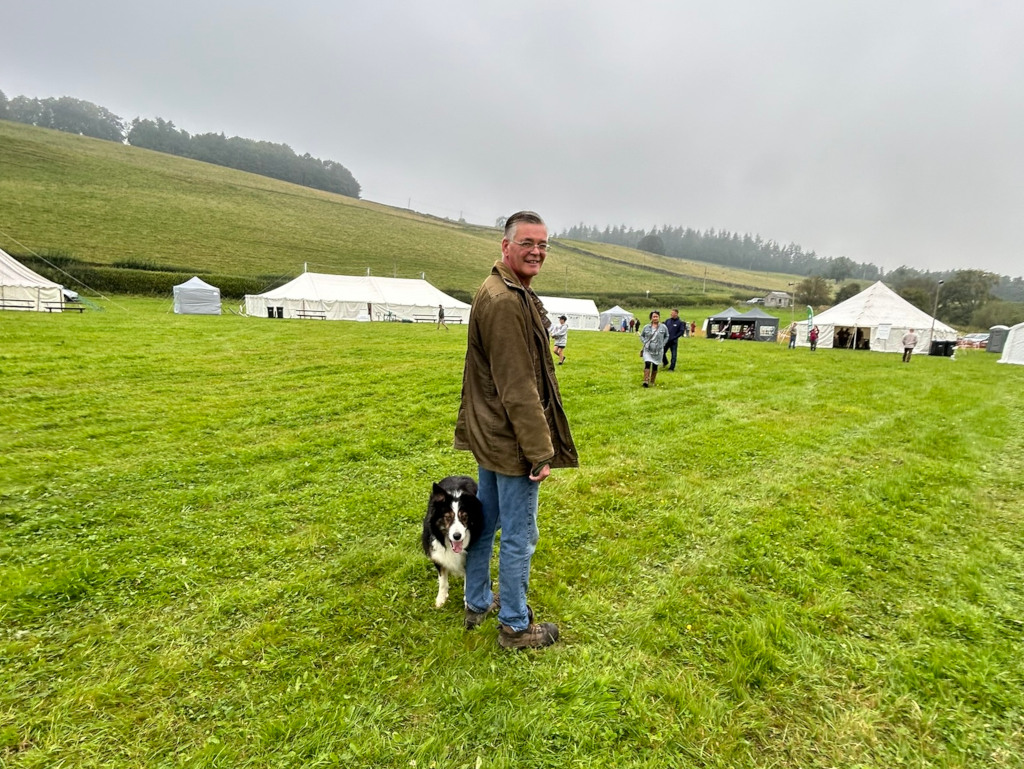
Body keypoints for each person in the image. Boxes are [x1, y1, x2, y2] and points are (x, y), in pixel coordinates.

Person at [455, 211, 578, 650]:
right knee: (521, 536)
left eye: (543, 244)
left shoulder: (507, 289)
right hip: (510, 442)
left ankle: (476, 601)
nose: (537, 251)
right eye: (527, 243)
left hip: (492, 435)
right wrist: (540, 451)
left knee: (486, 523)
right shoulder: (505, 301)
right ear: (505, 246)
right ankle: (514, 625)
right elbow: (518, 386)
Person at [640, 310, 669, 387]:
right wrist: (645, 342)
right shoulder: (646, 327)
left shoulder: (663, 327)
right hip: (648, 349)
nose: (655, 318)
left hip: (658, 350)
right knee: (647, 363)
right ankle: (645, 381)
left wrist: (663, 343)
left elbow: (667, 336)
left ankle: (652, 381)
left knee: (655, 365)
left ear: (659, 317)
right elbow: (642, 335)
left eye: (657, 316)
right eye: (654, 316)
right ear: (651, 318)